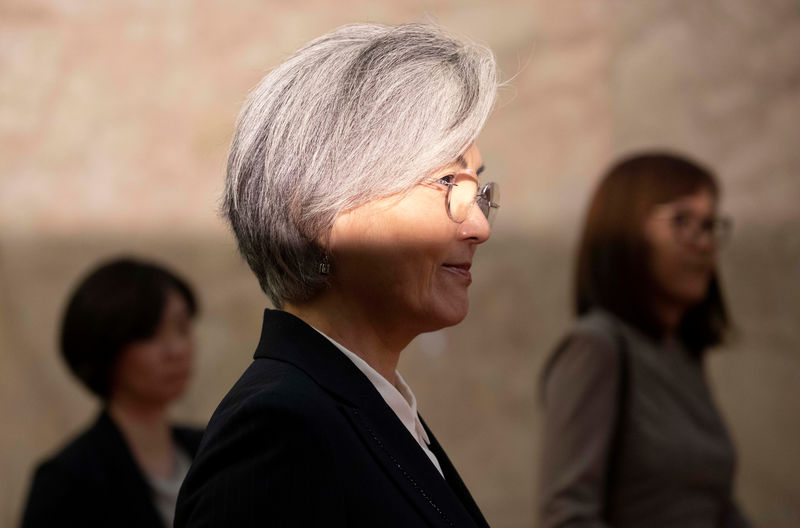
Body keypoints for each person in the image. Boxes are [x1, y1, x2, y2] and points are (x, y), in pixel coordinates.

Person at [175, 22, 499, 528]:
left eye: (478, 191)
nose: (478, 224)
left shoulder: (368, 404)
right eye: (445, 182)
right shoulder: (279, 430)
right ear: (317, 213)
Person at [538, 153, 750, 528]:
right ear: (626, 233)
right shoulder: (597, 345)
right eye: (682, 221)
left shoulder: (682, 353)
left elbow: (715, 506)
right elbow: (567, 516)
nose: (704, 243)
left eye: (710, 224)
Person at [22, 257, 203, 528]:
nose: (176, 350)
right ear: (106, 347)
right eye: (150, 334)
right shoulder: (66, 481)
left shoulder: (212, 447)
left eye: (181, 328)